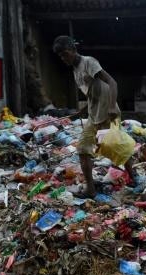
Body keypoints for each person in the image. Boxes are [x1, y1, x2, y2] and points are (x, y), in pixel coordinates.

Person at [52, 36, 134, 198]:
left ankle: (135, 175)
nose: (64, 58)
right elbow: (92, 93)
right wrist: (81, 110)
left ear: (74, 50)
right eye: (61, 56)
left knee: (113, 147)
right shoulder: (75, 71)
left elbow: (112, 82)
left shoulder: (88, 62)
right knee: (83, 149)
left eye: (65, 54)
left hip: (106, 112)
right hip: (93, 115)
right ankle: (91, 189)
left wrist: (111, 105)